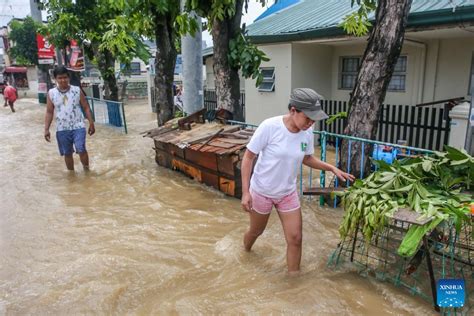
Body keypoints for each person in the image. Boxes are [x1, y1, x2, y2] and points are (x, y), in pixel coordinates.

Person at [240, 88, 355, 274]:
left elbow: (307, 158)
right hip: (262, 191)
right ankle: (245, 251)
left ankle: (294, 280)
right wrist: (246, 192)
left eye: (313, 120)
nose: (311, 123)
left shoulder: (306, 132)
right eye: (308, 118)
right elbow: (248, 157)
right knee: (256, 231)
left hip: (287, 192)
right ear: (293, 110)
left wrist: (332, 167)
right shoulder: (269, 127)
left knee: (295, 238)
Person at [44, 66, 95, 171]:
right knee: (67, 153)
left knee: (81, 148)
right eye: (60, 78)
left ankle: (87, 170)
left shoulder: (77, 90)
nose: (63, 80)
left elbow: (86, 107)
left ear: (69, 78)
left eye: (65, 77)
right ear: (55, 79)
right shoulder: (51, 93)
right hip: (62, 128)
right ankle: (72, 175)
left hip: (78, 126)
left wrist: (91, 122)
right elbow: (49, 112)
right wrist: (46, 129)